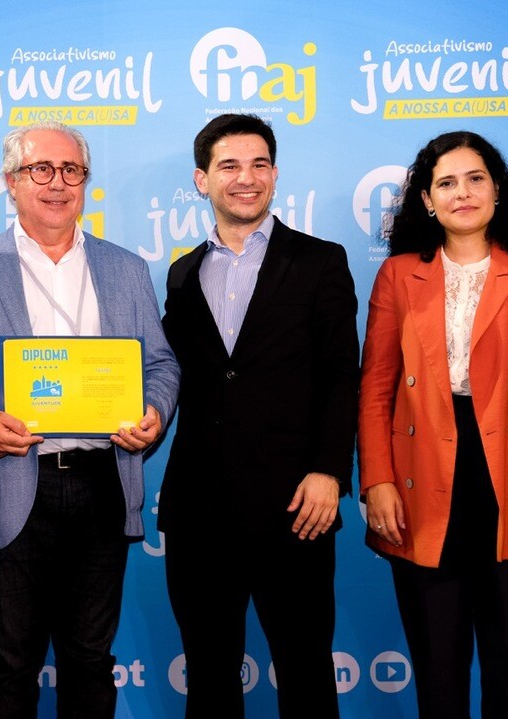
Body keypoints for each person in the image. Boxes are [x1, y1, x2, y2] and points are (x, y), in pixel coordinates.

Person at [0, 120, 179, 719]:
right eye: (41, 169)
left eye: (71, 170)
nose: (57, 183)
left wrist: (154, 410)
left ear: (85, 182)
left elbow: (161, 364)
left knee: (90, 660)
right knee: (9, 663)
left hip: (102, 482)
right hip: (14, 482)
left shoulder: (125, 267)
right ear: (11, 182)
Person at [358, 130, 508, 719]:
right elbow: (376, 389)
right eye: (446, 183)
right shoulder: (398, 276)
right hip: (422, 485)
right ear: (427, 200)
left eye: (475, 178)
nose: (462, 193)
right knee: (439, 680)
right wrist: (376, 480)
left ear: (497, 190)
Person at [159, 113, 360, 718]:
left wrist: (330, 470)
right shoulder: (182, 273)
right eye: (229, 166)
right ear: (202, 180)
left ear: (274, 174)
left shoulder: (320, 261)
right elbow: (171, 377)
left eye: (259, 164)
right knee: (209, 678)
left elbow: (341, 374)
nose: (246, 178)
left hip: (296, 505)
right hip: (200, 511)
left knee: (305, 673)